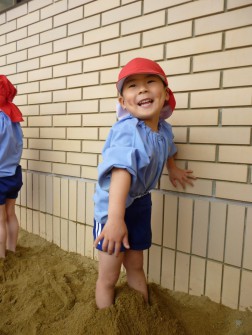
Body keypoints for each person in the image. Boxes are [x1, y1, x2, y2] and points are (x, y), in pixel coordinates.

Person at [93, 58, 196, 309]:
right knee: (110, 274)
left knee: (135, 264)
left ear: (165, 95)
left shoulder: (163, 129)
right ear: (123, 102)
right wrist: (116, 219)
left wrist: (172, 169)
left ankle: (144, 313)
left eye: (150, 82)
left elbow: (168, 148)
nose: (142, 89)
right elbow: (121, 173)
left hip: (140, 202)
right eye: (133, 86)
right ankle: (103, 318)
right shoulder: (128, 131)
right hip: (113, 207)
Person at [0, 75, 23, 259]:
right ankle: (12, 250)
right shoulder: (12, 116)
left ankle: (1, 257)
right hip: (14, 172)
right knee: (10, 213)